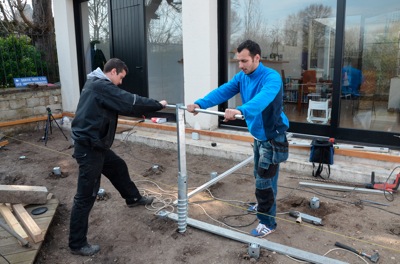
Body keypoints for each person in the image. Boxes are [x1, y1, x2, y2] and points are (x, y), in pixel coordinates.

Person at [187, 40, 289, 237]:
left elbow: (262, 100)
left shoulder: (272, 78)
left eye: (244, 61)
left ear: (257, 58)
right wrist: (200, 104)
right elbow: (223, 91)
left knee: (264, 182)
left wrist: (240, 110)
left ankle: (267, 222)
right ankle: (263, 206)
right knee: (261, 176)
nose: (240, 65)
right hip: (259, 137)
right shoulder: (242, 77)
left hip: (272, 138)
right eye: (238, 60)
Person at [69, 58, 167, 256]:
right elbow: (129, 101)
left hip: (96, 144)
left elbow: (115, 105)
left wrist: (136, 112)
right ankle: (77, 244)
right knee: (86, 195)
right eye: (121, 77)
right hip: (90, 148)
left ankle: (133, 198)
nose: (121, 82)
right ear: (113, 71)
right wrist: (157, 105)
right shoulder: (100, 85)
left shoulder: (95, 83)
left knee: (118, 167)